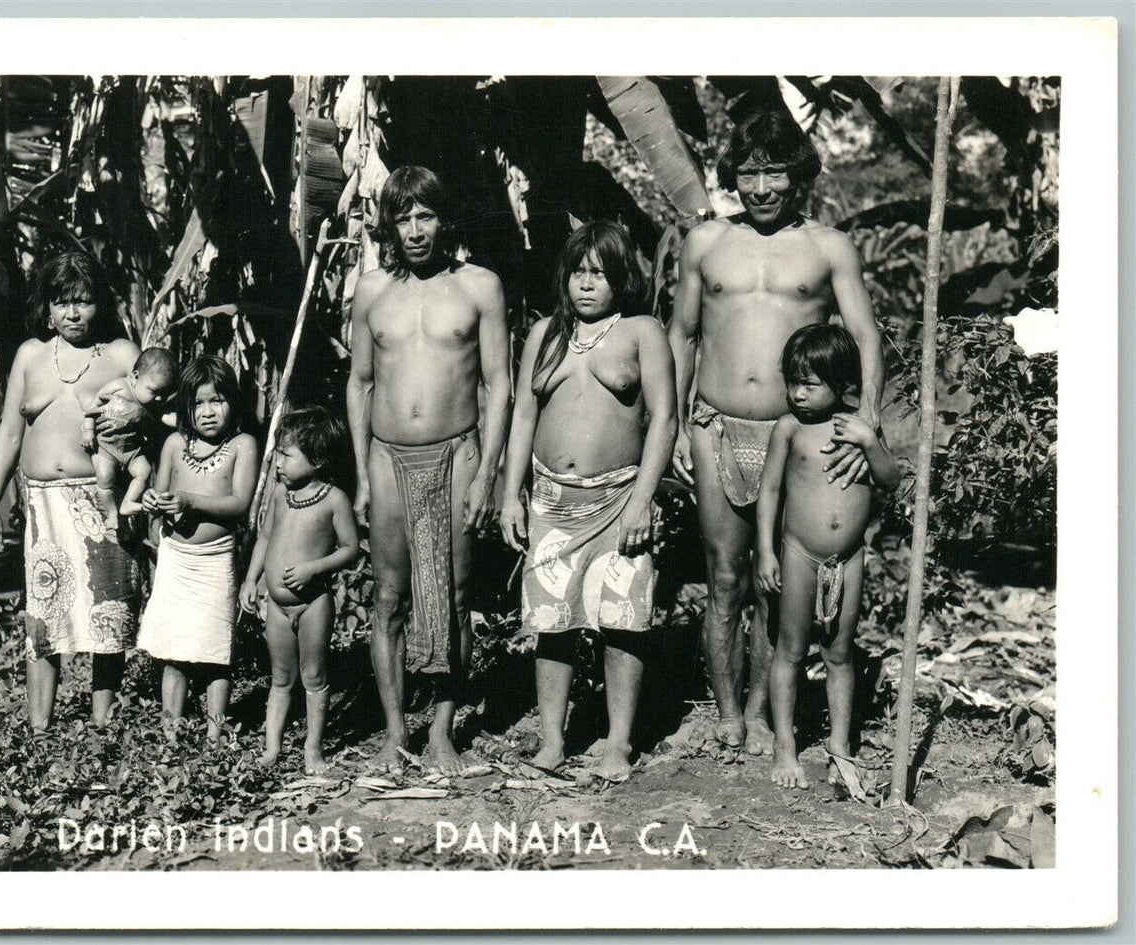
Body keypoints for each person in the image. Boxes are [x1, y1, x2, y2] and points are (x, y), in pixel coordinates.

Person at [668, 109, 885, 756]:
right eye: (748, 173)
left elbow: (864, 335)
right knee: (725, 575)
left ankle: (766, 714)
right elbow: (681, 334)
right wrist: (677, 423)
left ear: (797, 176)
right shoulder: (705, 243)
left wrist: (867, 413)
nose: (760, 188)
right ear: (731, 175)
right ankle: (728, 713)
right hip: (714, 426)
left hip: (798, 435)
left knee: (778, 584)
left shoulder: (826, 247)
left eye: (773, 173)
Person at [346, 165, 512, 775]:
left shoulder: (479, 288)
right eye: (404, 217)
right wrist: (363, 473)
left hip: (458, 453)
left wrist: (489, 470)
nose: (416, 230)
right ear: (388, 224)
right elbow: (360, 382)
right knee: (389, 597)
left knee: (456, 595)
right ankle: (396, 732)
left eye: (426, 216)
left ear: (444, 220)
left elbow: (500, 383)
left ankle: (442, 728)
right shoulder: (372, 291)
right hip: (389, 457)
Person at [500, 221, 677, 780]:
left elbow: (664, 419)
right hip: (551, 501)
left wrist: (642, 500)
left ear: (620, 278)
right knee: (553, 621)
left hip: (619, 496)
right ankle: (552, 740)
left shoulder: (642, 331)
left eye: (599, 273)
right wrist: (511, 497)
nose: (586, 284)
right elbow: (522, 416)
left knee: (622, 618)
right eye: (578, 272)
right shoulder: (544, 335)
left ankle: (618, 742)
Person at [0, 250, 142, 730]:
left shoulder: (121, 355)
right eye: (62, 302)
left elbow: (156, 418)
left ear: (100, 304)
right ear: (46, 306)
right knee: (43, 618)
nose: (73, 314)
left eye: (84, 301)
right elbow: (10, 431)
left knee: (107, 615)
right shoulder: (30, 355)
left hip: (103, 499)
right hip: (43, 505)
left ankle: (102, 726)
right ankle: (40, 729)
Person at [755, 325, 900, 790]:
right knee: (791, 651)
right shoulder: (790, 428)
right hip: (799, 553)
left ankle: (840, 745)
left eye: (810, 383)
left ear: (842, 383)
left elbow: (890, 479)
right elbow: (770, 491)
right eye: (792, 381)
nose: (797, 393)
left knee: (839, 654)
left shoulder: (856, 426)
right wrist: (765, 551)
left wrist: (870, 440)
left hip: (849, 558)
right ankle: (784, 745)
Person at [136, 355, 257, 745]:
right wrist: (156, 505)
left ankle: (215, 734)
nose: (208, 412)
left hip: (216, 559)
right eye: (199, 403)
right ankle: (171, 733)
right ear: (185, 406)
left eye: (217, 401)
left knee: (216, 650)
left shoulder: (243, 445)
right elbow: (160, 489)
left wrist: (190, 501)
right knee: (174, 650)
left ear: (232, 403)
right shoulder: (173, 444)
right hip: (176, 559)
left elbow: (239, 504)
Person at [240, 407, 359, 774]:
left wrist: (312, 569)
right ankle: (271, 748)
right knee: (281, 678)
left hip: (313, 605)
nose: (277, 461)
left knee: (314, 676)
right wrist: (251, 579)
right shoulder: (279, 493)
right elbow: (264, 538)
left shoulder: (333, 499)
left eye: (287, 454)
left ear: (318, 459)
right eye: (277, 452)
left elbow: (350, 549)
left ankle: (313, 750)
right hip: (276, 606)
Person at [82, 346, 179, 530]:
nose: (159, 399)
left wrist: (182, 422)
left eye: (164, 395)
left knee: (144, 471)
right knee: (105, 478)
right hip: (107, 446)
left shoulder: (151, 403)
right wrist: (88, 431)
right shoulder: (119, 387)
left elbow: (165, 418)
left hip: (131, 450)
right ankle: (111, 512)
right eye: (154, 391)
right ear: (135, 377)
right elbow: (92, 408)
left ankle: (128, 502)